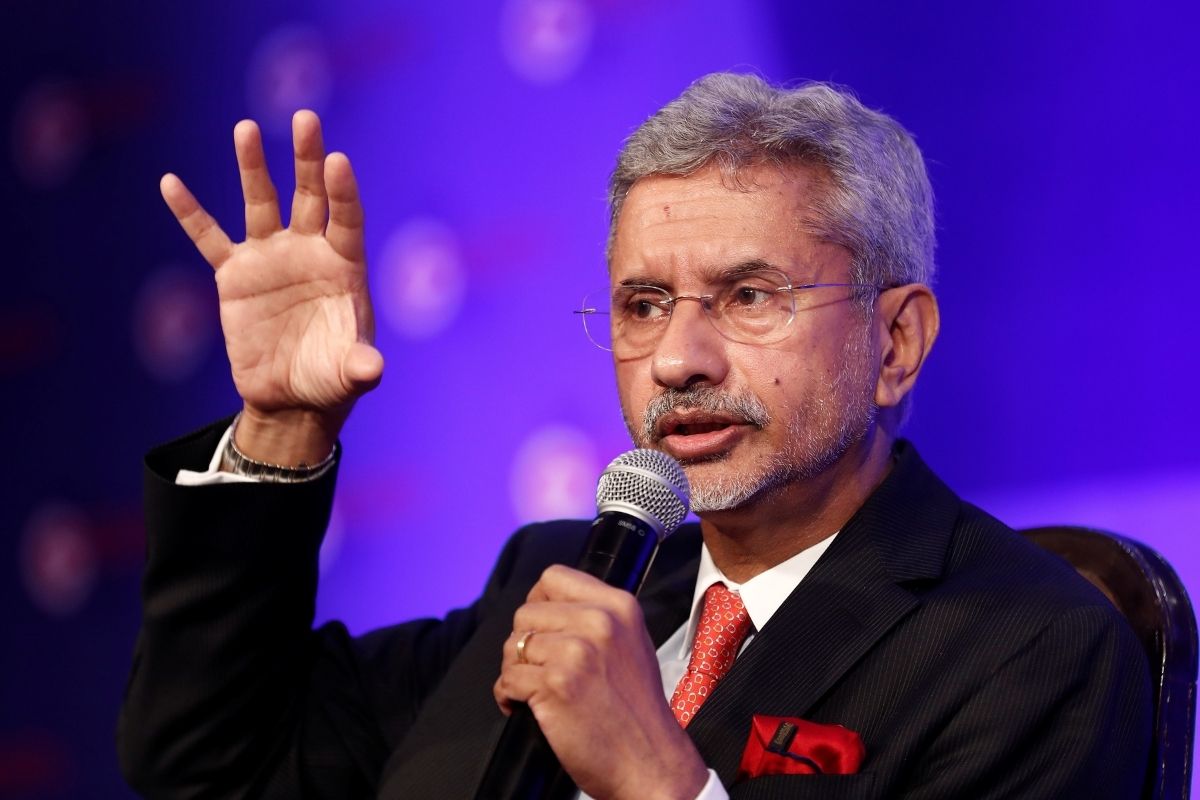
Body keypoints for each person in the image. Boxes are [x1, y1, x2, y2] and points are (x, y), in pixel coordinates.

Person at [118, 73, 1151, 799]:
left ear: (896, 342)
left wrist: (660, 782)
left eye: (749, 295)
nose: (676, 359)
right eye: (644, 305)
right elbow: (213, 764)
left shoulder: (1031, 649)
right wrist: (282, 427)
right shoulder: (563, 579)